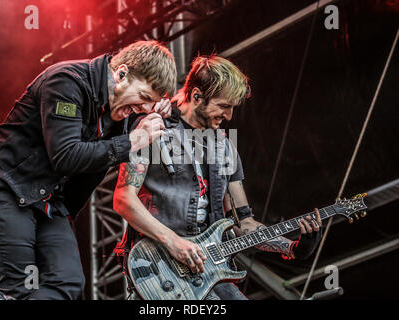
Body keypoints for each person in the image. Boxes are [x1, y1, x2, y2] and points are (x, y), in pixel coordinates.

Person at [0, 40, 177, 300]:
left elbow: (172, 114)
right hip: (4, 189)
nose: (143, 108)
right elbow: (66, 156)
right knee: (20, 288)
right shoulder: (66, 82)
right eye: (144, 98)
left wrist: (164, 108)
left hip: (49, 203)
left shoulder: (120, 108)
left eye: (150, 102)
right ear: (121, 74)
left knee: (68, 283)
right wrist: (133, 141)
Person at [113, 55, 322, 300]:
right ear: (197, 96)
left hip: (208, 270)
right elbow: (123, 199)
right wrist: (174, 243)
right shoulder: (154, 128)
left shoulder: (224, 148)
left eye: (232, 107)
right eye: (224, 106)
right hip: (160, 268)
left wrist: (292, 248)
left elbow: (244, 223)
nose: (230, 116)